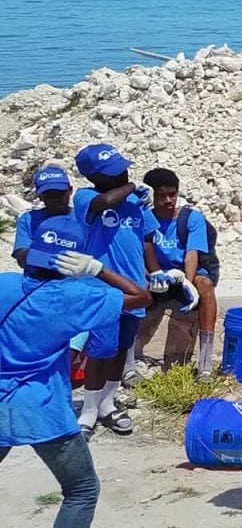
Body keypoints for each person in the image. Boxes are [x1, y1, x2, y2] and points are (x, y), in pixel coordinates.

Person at [2, 215, 149, 528]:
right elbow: (140, 298)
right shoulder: (74, 297)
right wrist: (99, 269)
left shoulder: (4, 284)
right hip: (39, 408)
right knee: (82, 489)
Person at [70, 144, 160, 435]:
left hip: (135, 287)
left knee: (122, 347)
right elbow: (106, 201)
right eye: (114, 172)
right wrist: (132, 186)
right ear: (95, 178)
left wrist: (155, 271)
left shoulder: (135, 203)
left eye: (123, 167)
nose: (123, 173)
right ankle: (88, 410)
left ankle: (108, 403)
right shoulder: (86, 197)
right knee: (101, 349)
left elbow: (146, 238)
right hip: (102, 289)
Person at [139, 168, 218, 372]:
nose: (168, 200)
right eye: (161, 195)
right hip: (155, 276)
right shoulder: (144, 219)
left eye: (172, 194)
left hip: (183, 274)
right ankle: (131, 356)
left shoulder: (191, 219)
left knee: (205, 286)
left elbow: (192, 253)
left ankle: (205, 361)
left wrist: (187, 283)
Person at [11, 165, 73, 268]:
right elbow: (21, 257)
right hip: (39, 279)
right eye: (49, 195)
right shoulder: (28, 220)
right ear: (40, 197)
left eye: (60, 193)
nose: (55, 199)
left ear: (70, 191)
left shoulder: (85, 219)